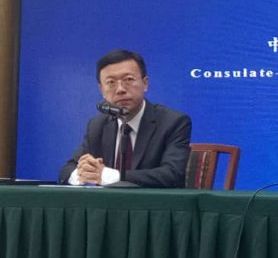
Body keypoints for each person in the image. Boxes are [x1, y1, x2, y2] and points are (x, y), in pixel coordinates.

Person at [59, 49, 191, 188]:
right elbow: (67, 170)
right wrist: (83, 173)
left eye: (128, 80)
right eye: (111, 82)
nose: (120, 89)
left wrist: (109, 176)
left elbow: (172, 175)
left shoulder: (173, 122)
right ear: (102, 90)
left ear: (145, 83)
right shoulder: (97, 125)